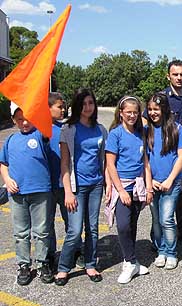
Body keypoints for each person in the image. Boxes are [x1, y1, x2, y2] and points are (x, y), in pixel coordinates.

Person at [55, 88, 107, 286]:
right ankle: (63, 268)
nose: (87, 107)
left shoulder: (101, 130)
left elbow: (104, 161)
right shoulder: (68, 129)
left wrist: (108, 185)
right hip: (76, 187)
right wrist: (68, 191)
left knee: (92, 228)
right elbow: (65, 164)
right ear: (77, 106)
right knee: (75, 230)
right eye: (83, 104)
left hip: (96, 185)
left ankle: (90, 263)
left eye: (91, 103)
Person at [0, 103, 54, 285]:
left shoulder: (40, 135)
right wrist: (7, 180)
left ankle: (42, 263)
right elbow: (4, 164)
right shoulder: (10, 140)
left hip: (40, 191)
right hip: (17, 193)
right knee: (21, 232)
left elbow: (47, 127)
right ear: (14, 120)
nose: (24, 122)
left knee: (41, 231)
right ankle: (23, 264)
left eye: (27, 118)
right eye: (20, 119)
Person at [105, 96, 153, 284]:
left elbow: (146, 163)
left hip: (138, 186)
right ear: (121, 113)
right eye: (128, 112)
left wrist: (149, 187)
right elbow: (110, 164)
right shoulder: (116, 134)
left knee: (132, 224)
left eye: (135, 112)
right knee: (123, 225)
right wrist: (121, 191)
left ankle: (133, 261)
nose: (132, 115)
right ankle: (128, 262)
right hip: (123, 186)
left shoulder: (141, 133)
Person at [145, 92, 182, 270]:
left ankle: (171, 252)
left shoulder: (177, 128)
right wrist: (150, 181)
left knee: (167, 218)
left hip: (172, 182)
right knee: (156, 219)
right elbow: (145, 159)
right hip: (153, 182)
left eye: (157, 109)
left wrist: (170, 179)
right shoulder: (146, 130)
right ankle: (161, 250)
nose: (153, 112)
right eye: (150, 109)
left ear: (164, 109)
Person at [162, 60, 182, 245]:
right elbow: (146, 121)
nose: (179, 78)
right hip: (167, 154)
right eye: (175, 74)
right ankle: (160, 237)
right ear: (169, 76)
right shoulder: (161, 98)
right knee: (164, 197)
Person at [47, 92, 67, 268]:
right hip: (46, 186)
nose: (63, 110)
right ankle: (49, 254)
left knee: (72, 222)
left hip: (65, 184)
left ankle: (73, 250)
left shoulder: (64, 129)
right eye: (59, 107)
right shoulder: (40, 131)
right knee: (48, 223)